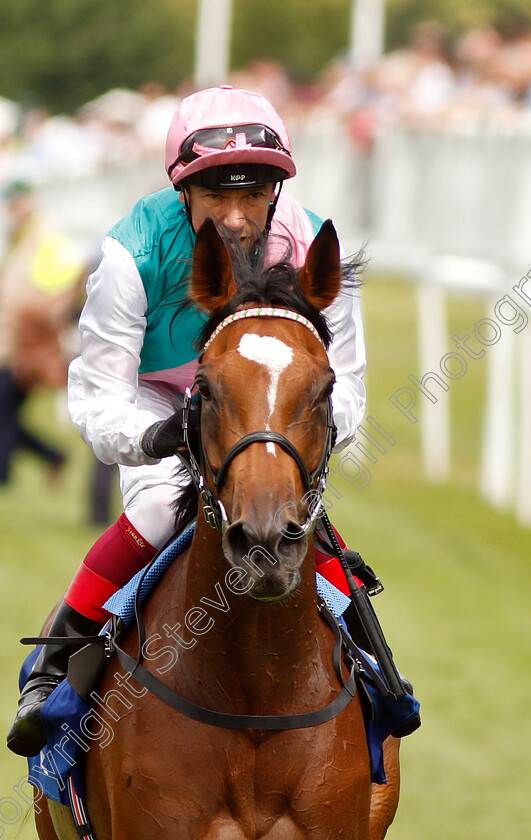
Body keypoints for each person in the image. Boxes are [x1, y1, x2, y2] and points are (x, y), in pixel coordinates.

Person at [7, 85, 367, 757]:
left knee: (298, 524)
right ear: (183, 194)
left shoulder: (315, 243)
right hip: (159, 407)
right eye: (214, 197)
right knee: (150, 518)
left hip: (266, 412)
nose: (234, 218)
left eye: (252, 195)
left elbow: (346, 388)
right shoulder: (129, 254)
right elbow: (97, 395)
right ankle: (52, 668)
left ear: (276, 193)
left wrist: (288, 440)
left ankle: (378, 674)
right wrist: (156, 438)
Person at [0, 180, 81, 486]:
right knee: (5, 410)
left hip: (25, 342)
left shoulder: (44, 235)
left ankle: (7, 473)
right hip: (13, 339)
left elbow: (67, 278)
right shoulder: (22, 236)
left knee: (4, 406)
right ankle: (50, 456)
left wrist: (49, 312)